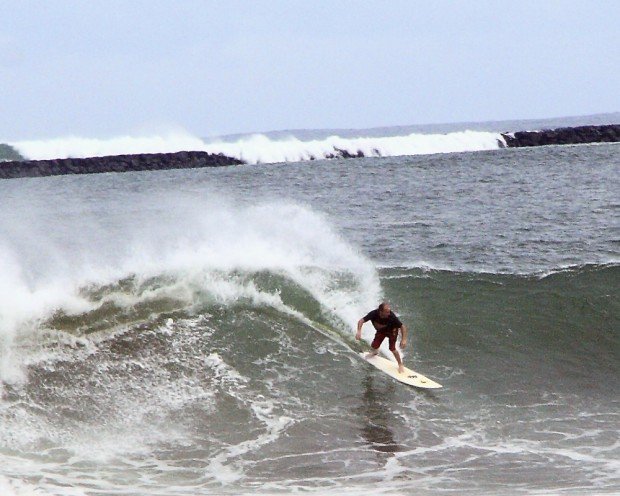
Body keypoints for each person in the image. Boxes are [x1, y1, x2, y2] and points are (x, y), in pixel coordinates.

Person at [356, 302, 408, 374]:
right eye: (387, 312)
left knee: (392, 348)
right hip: (381, 331)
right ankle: (375, 352)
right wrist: (359, 331)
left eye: (389, 311)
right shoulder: (373, 314)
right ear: (381, 311)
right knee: (374, 345)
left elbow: (402, 327)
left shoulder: (392, 317)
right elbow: (361, 321)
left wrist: (404, 339)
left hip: (392, 331)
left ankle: (400, 364)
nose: (389, 313)